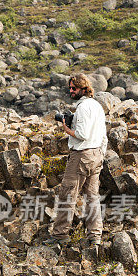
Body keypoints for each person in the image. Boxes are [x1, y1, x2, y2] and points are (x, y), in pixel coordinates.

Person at [45, 73, 107, 247]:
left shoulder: (83, 108)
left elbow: (82, 135)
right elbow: (103, 135)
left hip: (81, 155)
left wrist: (67, 128)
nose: (71, 91)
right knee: (92, 197)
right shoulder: (97, 106)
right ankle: (95, 236)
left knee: (67, 194)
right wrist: (101, 153)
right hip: (96, 155)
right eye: (70, 88)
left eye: (74, 88)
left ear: (84, 89)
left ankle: (60, 235)